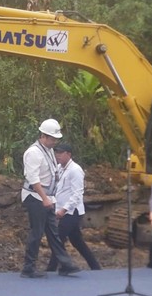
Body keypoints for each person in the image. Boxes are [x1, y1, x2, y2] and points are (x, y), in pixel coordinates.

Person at [20, 118, 79, 278]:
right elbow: (33, 178)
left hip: (47, 197)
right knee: (37, 232)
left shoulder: (48, 151)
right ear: (43, 136)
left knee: (53, 232)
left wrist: (50, 198)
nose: (54, 142)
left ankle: (65, 264)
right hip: (36, 197)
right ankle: (28, 267)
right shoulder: (33, 152)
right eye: (52, 139)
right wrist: (44, 197)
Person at [46, 143, 101, 272]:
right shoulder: (59, 168)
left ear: (68, 154)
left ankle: (53, 268)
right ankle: (95, 266)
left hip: (72, 211)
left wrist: (64, 209)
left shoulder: (75, 170)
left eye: (60, 153)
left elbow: (77, 193)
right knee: (76, 241)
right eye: (56, 153)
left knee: (58, 238)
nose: (57, 155)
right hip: (61, 209)